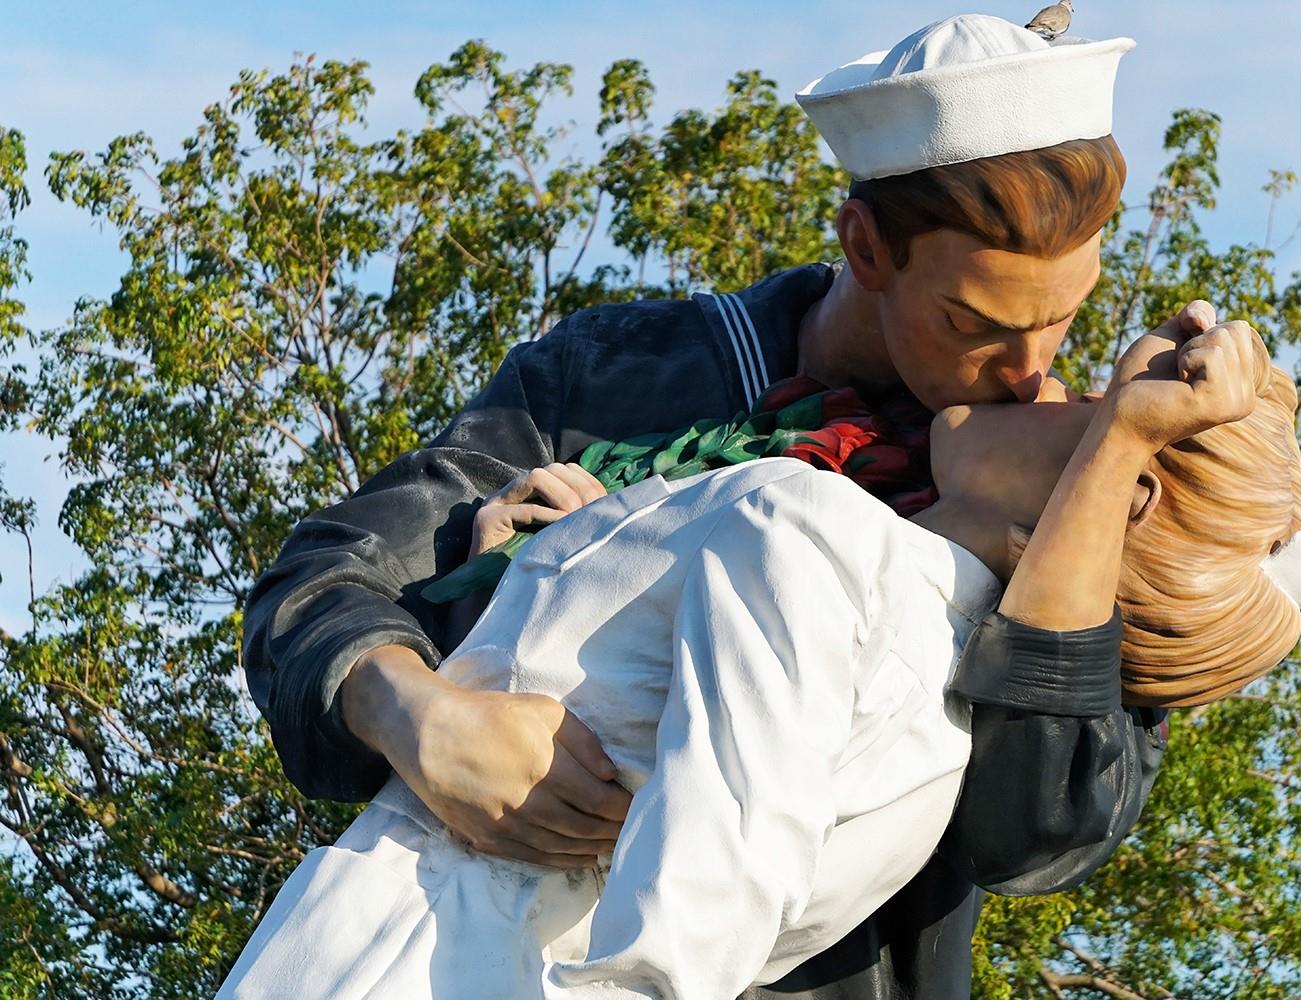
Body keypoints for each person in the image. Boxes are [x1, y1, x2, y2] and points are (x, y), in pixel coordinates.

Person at [241, 14, 1173, 999]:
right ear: (865, 246)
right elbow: (325, 582)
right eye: (972, 322)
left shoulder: (1049, 473)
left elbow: (1038, 829)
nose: (1029, 371)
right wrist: (421, 712)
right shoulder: (609, 378)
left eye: (1063, 316)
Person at [217, 314, 1301, 999]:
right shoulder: (936, 732)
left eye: (1091, 401)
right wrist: (548, 583)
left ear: (1114, 497)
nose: (1038, 379)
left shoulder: (808, 527)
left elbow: (690, 928)